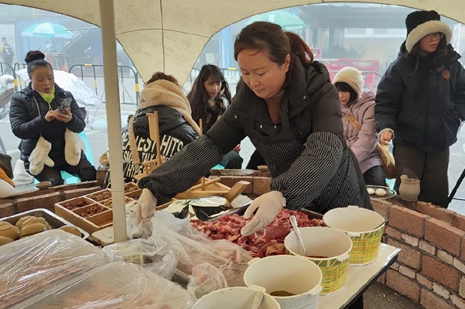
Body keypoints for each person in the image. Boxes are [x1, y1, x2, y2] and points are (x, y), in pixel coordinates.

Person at [136, 21, 370, 233]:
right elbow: (211, 144)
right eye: (244, 72)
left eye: (260, 72)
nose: (252, 81)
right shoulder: (247, 99)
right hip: (289, 196)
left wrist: (282, 194)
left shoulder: (319, 89)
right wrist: (157, 185)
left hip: (336, 190)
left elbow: (325, 150)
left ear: (286, 62)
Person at [375, 10, 465, 208]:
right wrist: (386, 126)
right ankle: (402, 233)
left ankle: (435, 236)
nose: (434, 38)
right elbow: (385, 101)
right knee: (407, 195)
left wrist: (457, 117)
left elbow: (464, 92)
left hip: (440, 142)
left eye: (438, 34)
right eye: (429, 34)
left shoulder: (452, 65)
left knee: (436, 196)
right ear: (416, 36)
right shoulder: (399, 68)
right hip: (408, 143)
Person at [9, 51, 96, 186]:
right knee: (54, 183)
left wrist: (70, 119)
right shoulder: (20, 99)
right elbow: (19, 130)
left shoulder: (64, 95)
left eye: (50, 78)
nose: (47, 83)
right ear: (30, 78)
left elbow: (80, 126)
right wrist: (44, 119)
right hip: (38, 154)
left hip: (66, 151)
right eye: (40, 79)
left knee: (91, 174)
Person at [112, 72, 200, 183]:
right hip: (169, 199)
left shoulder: (125, 131)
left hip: (120, 195)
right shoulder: (187, 134)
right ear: (178, 95)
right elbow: (202, 173)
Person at [334, 66, 385, 186]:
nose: (341, 95)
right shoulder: (333, 106)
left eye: (345, 91)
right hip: (340, 159)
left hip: (367, 161)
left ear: (355, 90)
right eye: (338, 90)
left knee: (376, 189)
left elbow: (367, 139)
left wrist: (347, 162)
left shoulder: (369, 107)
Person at [188, 64, 243, 169]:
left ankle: (231, 184)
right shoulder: (192, 104)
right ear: (202, 84)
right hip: (199, 149)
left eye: (218, 83)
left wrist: (234, 143)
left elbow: (234, 128)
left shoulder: (225, 102)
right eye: (210, 84)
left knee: (234, 158)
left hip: (222, 149)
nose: (215, 88)